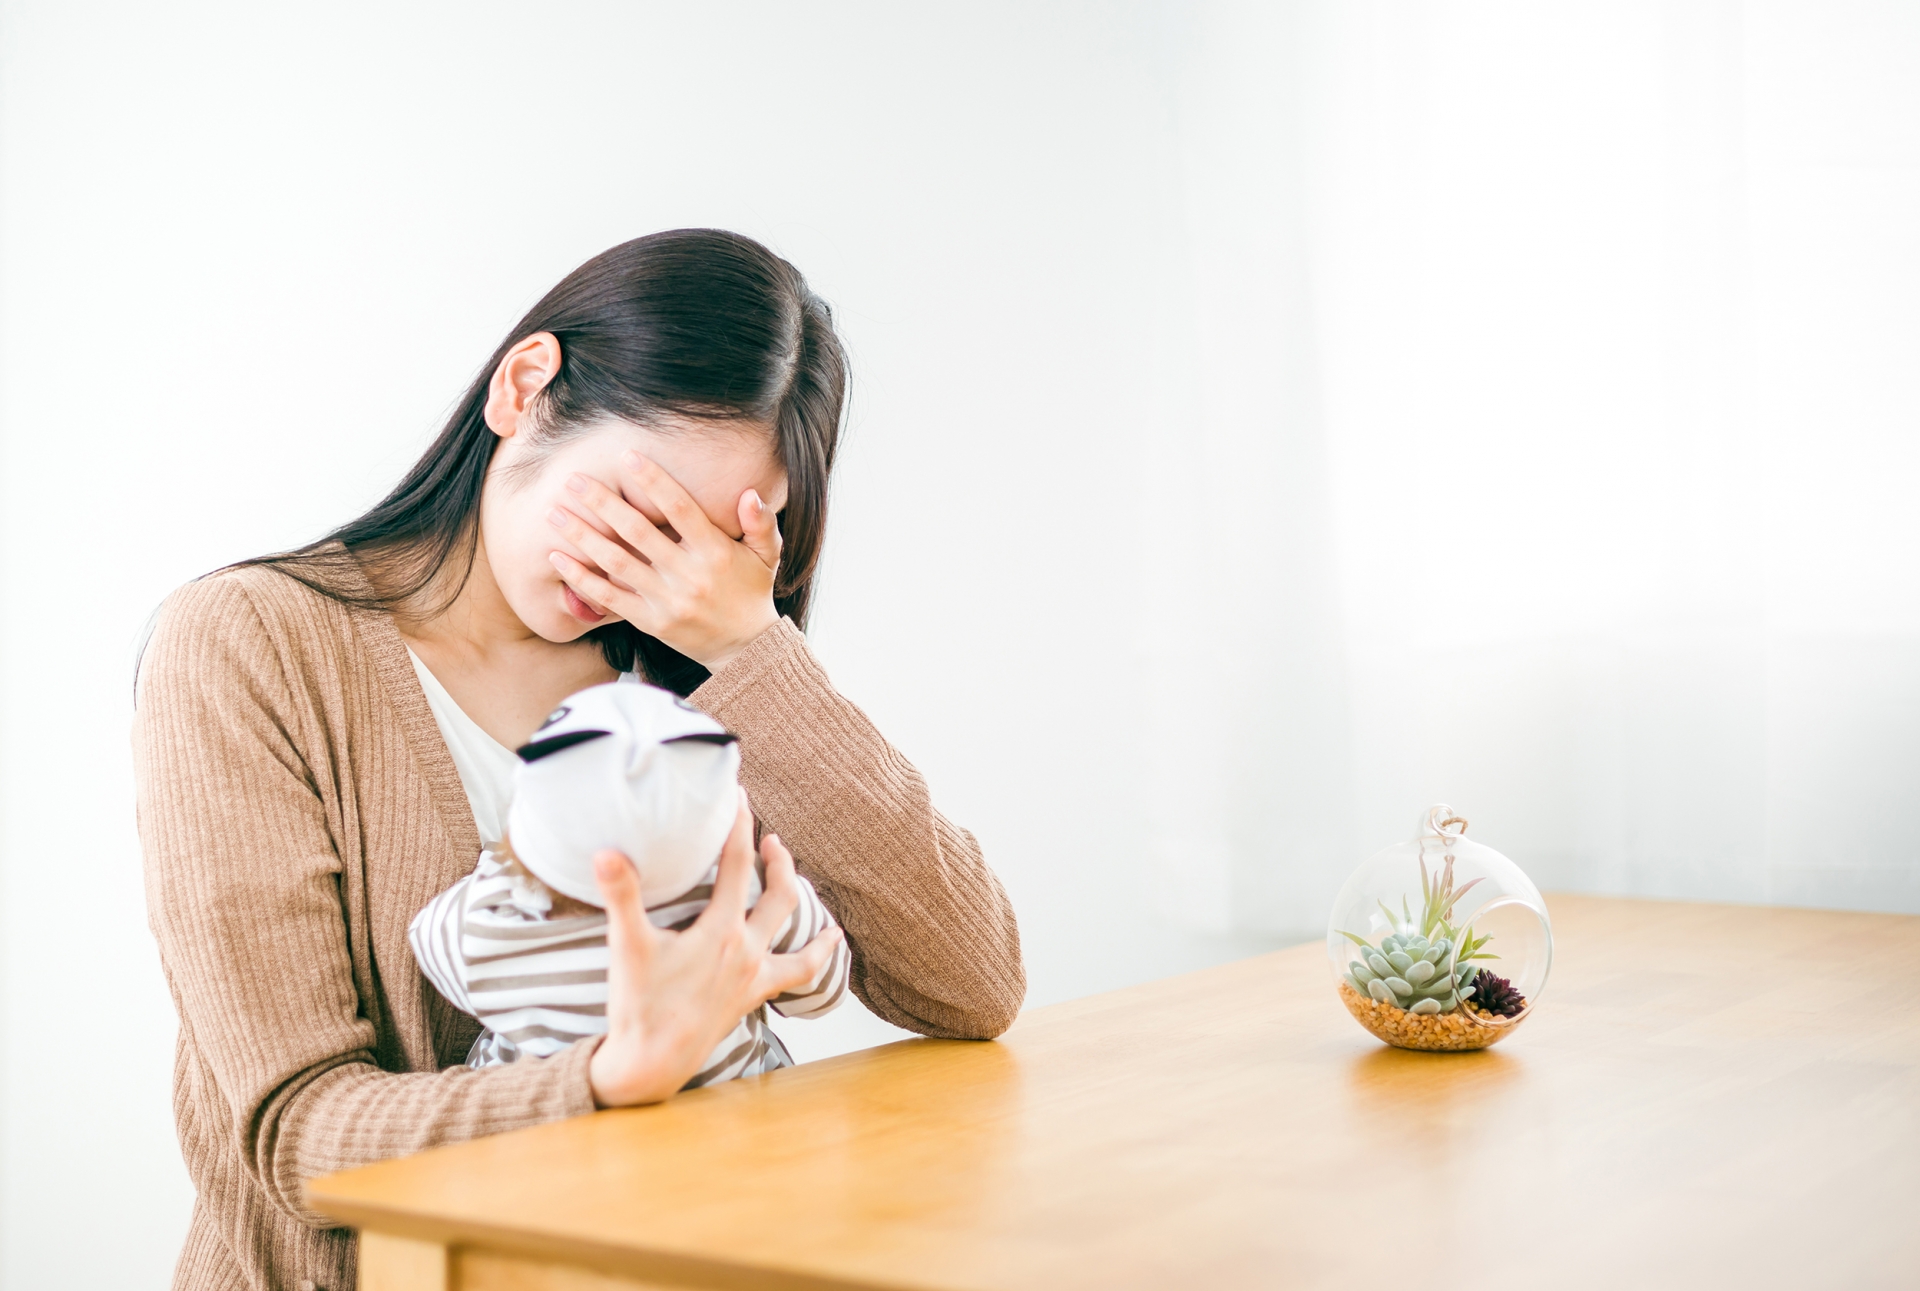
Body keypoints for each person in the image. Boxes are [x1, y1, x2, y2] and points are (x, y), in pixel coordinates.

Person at [133, 229, 1025, 1291]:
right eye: (632, 512)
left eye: (700, 545)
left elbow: (973, 982)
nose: (640, 573)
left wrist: (753, 649)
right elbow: (296, 1131)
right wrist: (603, 1080)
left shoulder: (689, 677)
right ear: (524, 388)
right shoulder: (249, 644)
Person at [407, 679, 852, 1081]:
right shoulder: (751, 897)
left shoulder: (486, 918)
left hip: (546, 1129)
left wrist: (503, 869)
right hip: (725, 1123)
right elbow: (821, 992)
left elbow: (428, 945)